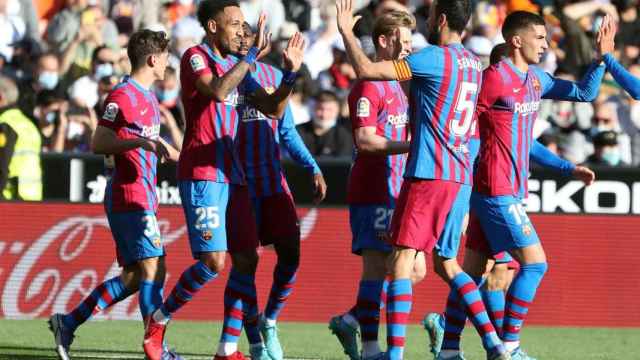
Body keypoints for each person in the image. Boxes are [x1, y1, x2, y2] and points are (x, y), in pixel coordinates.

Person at [336, 1, 510, 359]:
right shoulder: (474, 65)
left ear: (441, 20)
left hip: (430, 172)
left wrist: (345, 33)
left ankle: (394, 354)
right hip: (460, 175)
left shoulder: (433, 58)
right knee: (446, 263)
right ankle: (492, 343)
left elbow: (367, 68)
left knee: (400, 262)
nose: (423, 28)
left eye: (429, 17)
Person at [437, 11, 605, 360]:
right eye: (541, 37)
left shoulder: (537, 80)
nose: (546, 44)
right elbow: (462, 127)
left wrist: (601, 58)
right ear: (517, 40)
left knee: (472, 271)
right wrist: (459, 187)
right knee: (536, 264)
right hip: (494, 189)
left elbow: (585, 93)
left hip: (505, 190)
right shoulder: (493, 79)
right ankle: (509, 346)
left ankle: (449, 348)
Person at [143, 1, 305, 359]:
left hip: (235, 177)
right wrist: (249, 59)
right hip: (202, 173)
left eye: (243, 24)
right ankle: (158, 320)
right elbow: (216, 91)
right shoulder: (194, 56)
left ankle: (226, 349)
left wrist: (290, 74)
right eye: (234, 24)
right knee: (214, 263)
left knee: (247, 259)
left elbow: (274, 109)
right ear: (213, 26)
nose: (240, 30)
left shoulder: (239, 68)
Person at [47, 29, 181, 360]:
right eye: (165, 57)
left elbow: (157, 146)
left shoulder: (149, 98)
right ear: (153, 59)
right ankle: (157, 349)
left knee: (136, 276)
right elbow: (99, 143)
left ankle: (68, 322)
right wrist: (138, 143)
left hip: (143, 193)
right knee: (155, 269)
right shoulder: (122, 96)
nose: (167, 63)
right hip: (128, 194)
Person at [326, 11, 425, 360]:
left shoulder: (397, 83)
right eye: (405, 40)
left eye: (413, 41)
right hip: (372, 187)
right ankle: (370, 349)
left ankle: (351, 319)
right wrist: (413, 145)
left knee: (413, 269)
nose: (410, 48)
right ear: (384, 41)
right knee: (378, 268)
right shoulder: (369, 86)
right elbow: (366, 140)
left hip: (395, 187)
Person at [233, 21, 327, 360]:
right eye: (239, 36)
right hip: (237, 186)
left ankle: (269, 320)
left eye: (248, 36)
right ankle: (254, 339)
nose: (242, 41)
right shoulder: (222, 78)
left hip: (273, 183)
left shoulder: (273, 76)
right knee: (245, 263)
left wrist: (312, 166)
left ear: (261, 40)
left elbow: (286, 132)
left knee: (291, 255)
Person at [0, 74, 42, 201]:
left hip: (9, 197)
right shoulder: (28, 124)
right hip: (33, 198)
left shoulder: (4, 124)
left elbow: (2, 164)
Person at [295, 90, 353, 157]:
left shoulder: (344, 136)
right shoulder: (297, 132)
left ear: (338, 110)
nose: (324, 115)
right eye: (320, 109)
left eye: (329, 110)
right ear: (312, 108)